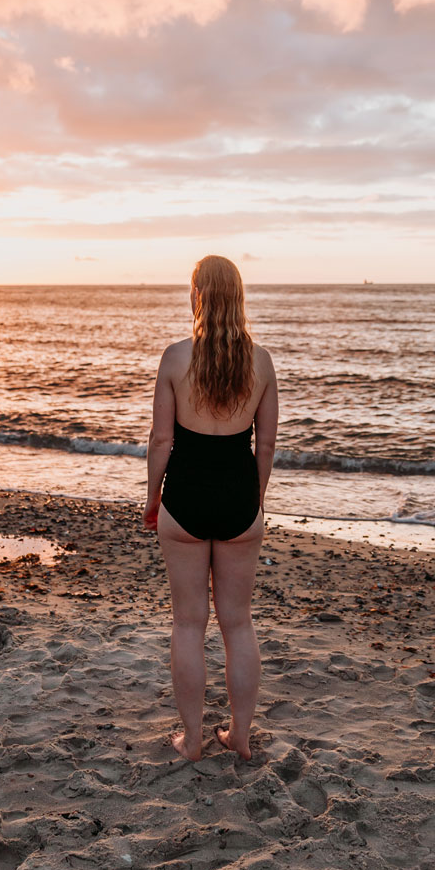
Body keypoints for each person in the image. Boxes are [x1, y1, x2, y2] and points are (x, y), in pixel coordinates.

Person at [143, 255, 278, 762]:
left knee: (188, 623)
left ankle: (193, 740)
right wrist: (256, 500)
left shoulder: (176, 358)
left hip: (185, 501)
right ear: (238, 296)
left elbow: (161, 440)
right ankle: (239, 737)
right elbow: (265, 446)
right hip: (239, 499)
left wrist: (153, 498)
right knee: (238, 624)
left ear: (198, 295)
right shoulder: (260, 362)